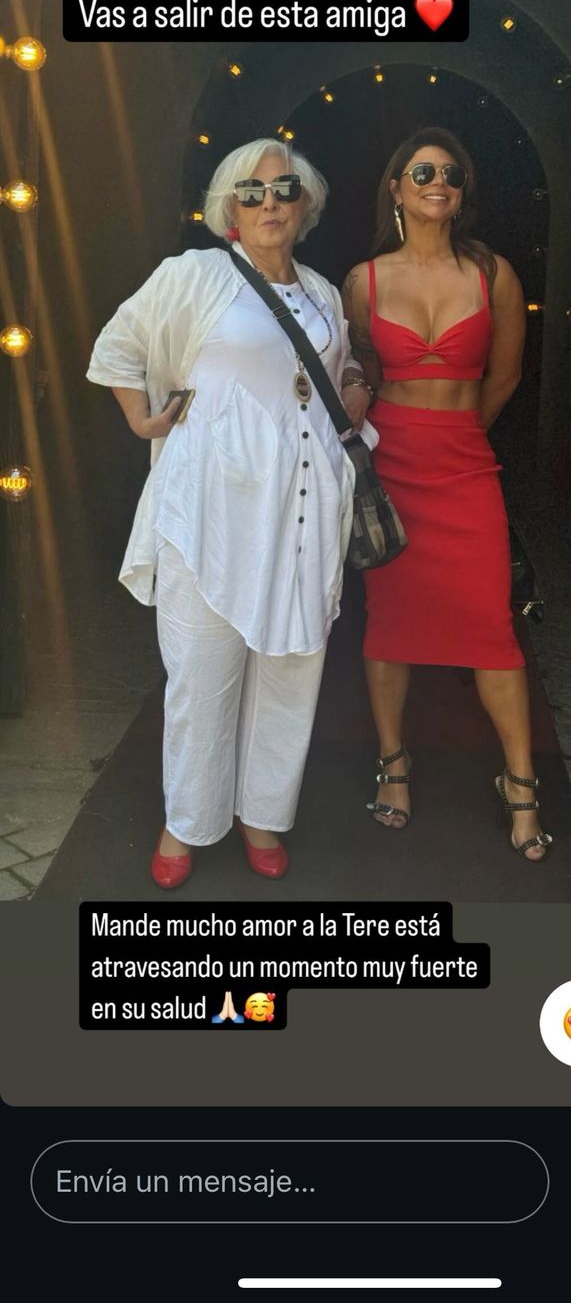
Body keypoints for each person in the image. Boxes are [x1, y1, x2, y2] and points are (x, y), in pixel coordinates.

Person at [87, 139, 373, 889]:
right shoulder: (197, 275)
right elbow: (118, 345)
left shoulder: (323, 292)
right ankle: (186, 821)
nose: (268, 202)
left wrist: (353, 382)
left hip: (301, 508)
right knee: (201, 675)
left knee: (290, 666)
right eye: (251, 191)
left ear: (305, 204)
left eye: (284, 189)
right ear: (229, 210)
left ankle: (263, 813)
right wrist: (142, 420)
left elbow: (333, 365)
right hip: (210, 509)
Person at [341, 127, 552, 862]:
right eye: (423, 172)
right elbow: (356, 376)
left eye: (452, 175)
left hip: (464, 465)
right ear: (396, 188)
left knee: (491, 623)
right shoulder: (362, 281)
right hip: (390, 465)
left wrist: (458, 434)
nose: (439, 183)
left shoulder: (493, 274)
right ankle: (393, 764)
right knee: (389, 619)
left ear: (462, 195)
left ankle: (520, 783)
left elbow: (505, 374)